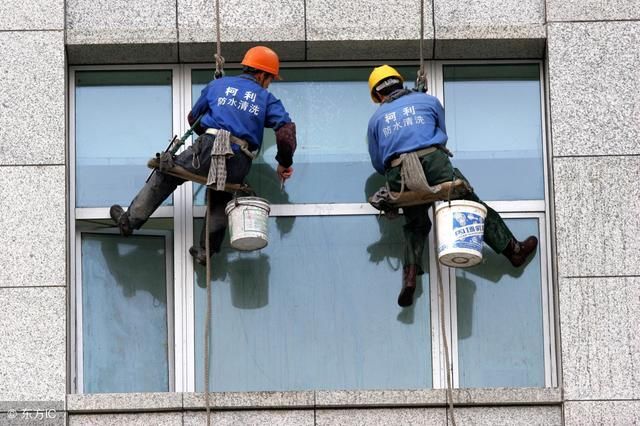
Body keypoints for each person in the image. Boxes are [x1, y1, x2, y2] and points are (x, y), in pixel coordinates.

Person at [366, 65, 538, 308]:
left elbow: (377, 163)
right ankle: (514, 250)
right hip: (434, 161)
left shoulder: (376, 119)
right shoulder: (428, 100)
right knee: (469, 203)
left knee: (416, 224)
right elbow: (441, 135)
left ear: (379, 95)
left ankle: (410, 277)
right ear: (399, 83)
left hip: (398, 175)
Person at [110, 46, 297, 265]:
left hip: (208, 148)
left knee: (167, 173)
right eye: (270, 79)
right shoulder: (266, 99)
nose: (269, 83)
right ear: (262, 74)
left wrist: (215, 124)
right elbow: (286, 132)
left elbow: (193, 118)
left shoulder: (218, 86)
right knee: (220, 196)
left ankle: (129, 221)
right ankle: (206, 252)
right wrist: (284, 164)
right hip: (239, 160)